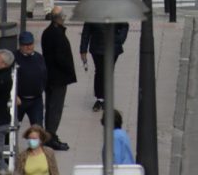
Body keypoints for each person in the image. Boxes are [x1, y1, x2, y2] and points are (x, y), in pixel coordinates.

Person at [40, 10, 75, 152]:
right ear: (57, 19)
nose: (64, 19)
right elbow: (60, 57)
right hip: (58, 77)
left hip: (51, 76)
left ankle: (50, 135)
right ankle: (51, 137)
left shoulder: (47, 32)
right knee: (55, 108)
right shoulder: (56, 34)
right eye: (63, 17)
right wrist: (68, 69)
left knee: (51, 106)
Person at [80, 22, 128, 113]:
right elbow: (86, 32)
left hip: (113, 47)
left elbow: (124, 25)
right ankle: (100, 98)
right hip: (97, 47)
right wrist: (83, 50)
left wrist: (120, 39)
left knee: (108, 71)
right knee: (99, 71)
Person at [14, 34, 46, 126]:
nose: (28, 47)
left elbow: (44, 75)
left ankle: (33, 141)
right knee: (12, 129)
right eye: (25, 45)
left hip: (36, 100)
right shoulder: (14, 58)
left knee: (37, 130)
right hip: (18, 100)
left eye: (30, 44)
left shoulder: (39, 57)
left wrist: (40, 89)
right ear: (20, 45)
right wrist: (14, 95)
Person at [0, 50, 14, 172]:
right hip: (2, 121)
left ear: (4, 64)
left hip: (0, 123)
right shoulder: (4, 75)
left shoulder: (2, 79)